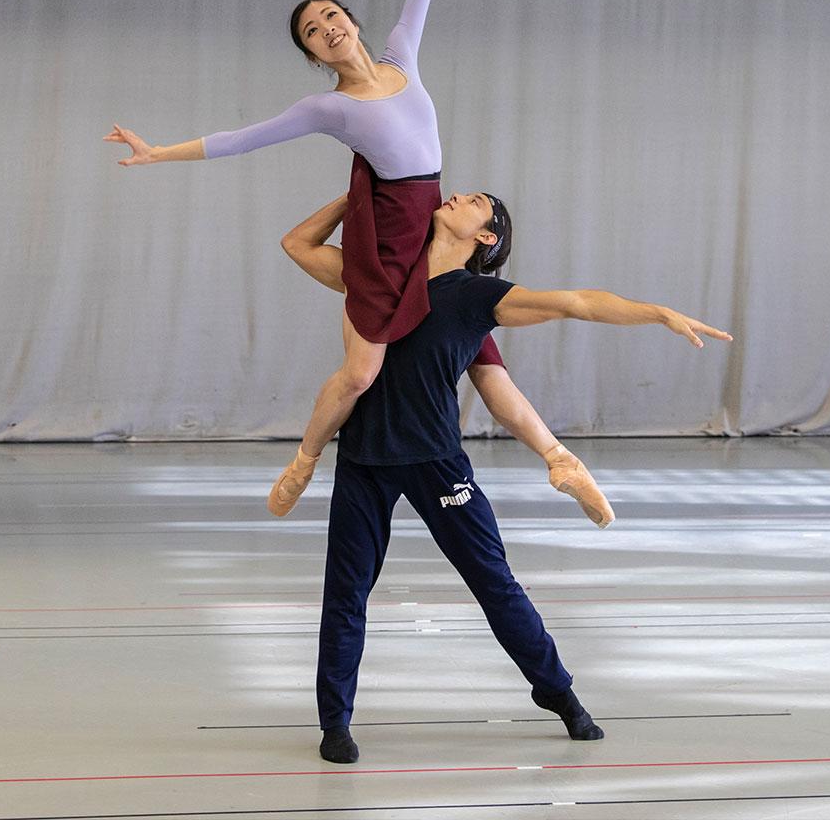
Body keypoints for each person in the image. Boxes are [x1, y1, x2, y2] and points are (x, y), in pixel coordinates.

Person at [103, 0, 614, 527]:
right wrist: (157, 154)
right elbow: (241, 139)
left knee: (482, 355)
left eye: (329, 16)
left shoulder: (402, 55)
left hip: (430, 227)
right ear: (314, 56)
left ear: (350, 19)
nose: (326, 29)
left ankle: (561, 461)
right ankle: (303, 463)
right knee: (360, 374)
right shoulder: (328, 108)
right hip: (389, 243)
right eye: (312, 33)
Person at [278, 191, 732, 763]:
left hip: (436, 460)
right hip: (364, 459)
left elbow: (576, 303)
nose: (457, 194)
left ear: (486, 237)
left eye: (476, 201)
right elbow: (298, 243)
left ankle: (560, 694)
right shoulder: (378, 277)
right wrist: (359, 191)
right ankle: (335, 723)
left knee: (494, 583)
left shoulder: (477, 297)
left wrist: (657, 313)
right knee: (345, 593)